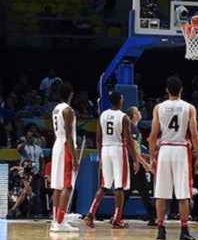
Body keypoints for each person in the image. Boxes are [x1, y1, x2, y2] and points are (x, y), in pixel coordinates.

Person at [148, 77, 198, 240]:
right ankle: (184, 231)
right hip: (180, 150)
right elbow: (194, 134)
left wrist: (151, 158)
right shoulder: (189, 107)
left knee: (161, 194)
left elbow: (152, 136)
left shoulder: (159, 108)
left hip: (164, 149)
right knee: (183, 194)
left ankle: (161, 232)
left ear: (166, 90)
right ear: (182, 90)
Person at [84, 92, 139, 229]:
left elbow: (97, 138)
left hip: (105, 149)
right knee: (119, 187)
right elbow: (130, 142)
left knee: (104, 185)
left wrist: (101, 155)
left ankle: (90, 213)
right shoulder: (123, 117)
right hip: (118, 149)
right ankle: (117, 218)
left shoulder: (102, 115)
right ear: (121, 101)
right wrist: (136, 160)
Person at [50, 82, 79, 232]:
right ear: (71, 95)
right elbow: (69, 135)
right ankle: (60, 222)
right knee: (67, 185)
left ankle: (56, 220)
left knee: (57, 187)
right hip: (65, 146)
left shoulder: (55, 109)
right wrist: (74, 158)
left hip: (57, 145)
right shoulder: (68, 110)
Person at [123, 106, 156, 226]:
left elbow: (135, 149)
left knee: (129, 191)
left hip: (133, 162)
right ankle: (152, 218)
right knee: (144, 191)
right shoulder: (133, 129)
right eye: (137, 112)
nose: (140, 113)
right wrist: (144, 163)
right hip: (135, 164)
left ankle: (117, 215)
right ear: (133, 116)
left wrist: (143, 157)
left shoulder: (132, 128)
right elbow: (133, 149)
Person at [17, 131, 45, 216]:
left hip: (35, 172)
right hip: (25, 173)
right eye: (30, 137)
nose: (31, 138)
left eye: (33, 137)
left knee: (36, 193)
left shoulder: (38, 147)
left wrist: (42, 170)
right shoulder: (23, 146)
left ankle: (37, 212)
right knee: (24, 192)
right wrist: (26, 141)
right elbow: (19, 150)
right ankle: (22, 212)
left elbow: (42, 159)